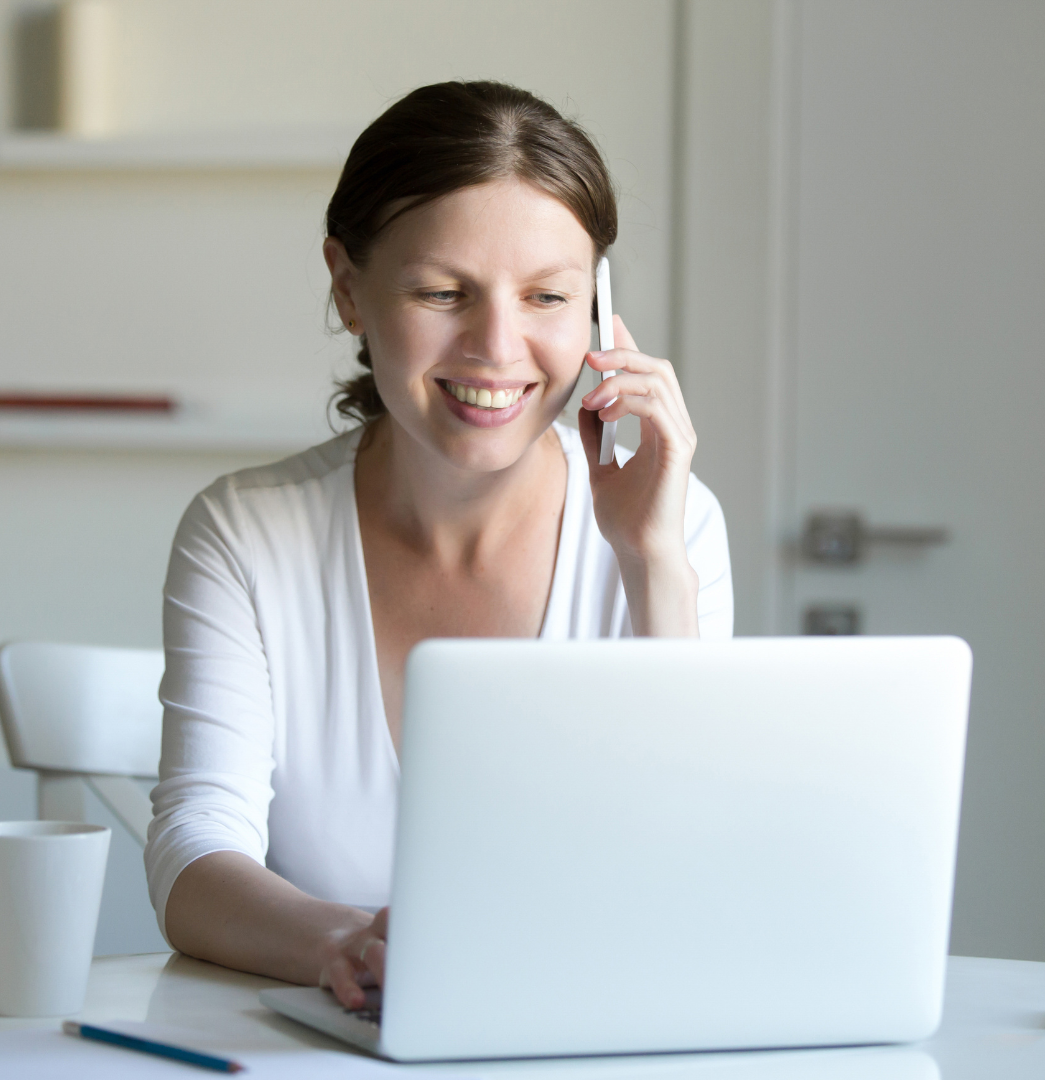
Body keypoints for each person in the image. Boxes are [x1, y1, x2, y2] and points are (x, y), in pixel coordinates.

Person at [144, 81, 732, 1010]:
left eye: (547, 296)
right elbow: (194, 854)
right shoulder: (247, 533)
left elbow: (696, 876)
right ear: (350, 288)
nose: (498, 347)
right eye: (443, 292)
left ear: (597, 306)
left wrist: (653, 564)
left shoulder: (674, 521)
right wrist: (352, 945)